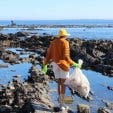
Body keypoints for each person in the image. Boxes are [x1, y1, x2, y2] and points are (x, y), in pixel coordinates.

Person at [42, 28, 81, 110]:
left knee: (59, 83)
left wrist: (45, 64)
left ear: (59, 35)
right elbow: (66, 57)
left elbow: (48, 54)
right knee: (64, 84)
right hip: (63, 65)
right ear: (65, 36)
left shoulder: (53, 42)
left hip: (55, 64)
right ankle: (62, 104)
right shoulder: (65, 42)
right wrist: (74, 63)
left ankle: (61, 103)